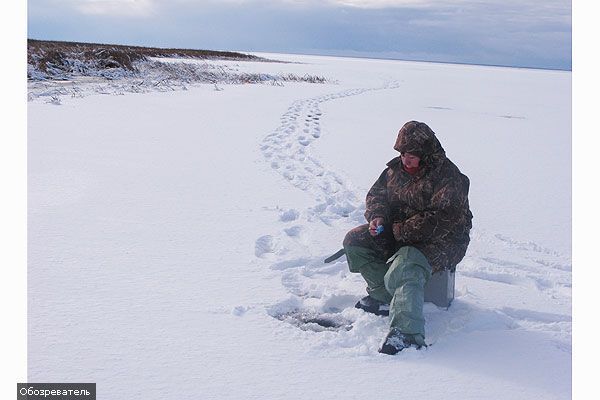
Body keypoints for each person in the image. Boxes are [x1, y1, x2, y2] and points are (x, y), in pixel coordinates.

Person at [342, 120, 472, 355]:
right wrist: (378, 217)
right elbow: (376, 195)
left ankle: (408, 333)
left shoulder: (448, 176)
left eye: (412, 154)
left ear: (426, 153)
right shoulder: (394, 170)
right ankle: (384, 296)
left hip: (445, 240)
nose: (406, 159)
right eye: (403, 153)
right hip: (399, 231)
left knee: (407, 262)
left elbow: (442, 218)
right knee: (355, 242)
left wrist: (398, 231)